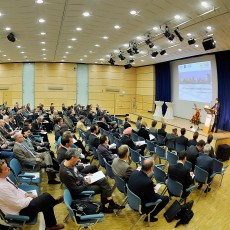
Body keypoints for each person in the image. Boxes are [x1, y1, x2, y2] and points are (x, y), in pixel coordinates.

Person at [0, 159, 64, 230]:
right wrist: (30, 198)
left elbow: (17, 189)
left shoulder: (4, 178)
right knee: (46, 197)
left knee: (46, 201)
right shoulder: (1, 188)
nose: (9, 169)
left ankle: (51, 225)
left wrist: (27, 194)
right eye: (6, 169)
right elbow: (17, 205)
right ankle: (53, 204)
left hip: (22, 204)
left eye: (8, 166)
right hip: (19, 213)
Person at [59, 148, 125, 213]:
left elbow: (77, 173)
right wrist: (86, 183)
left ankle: (111, 204)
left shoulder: (68, 163)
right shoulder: (65, 173)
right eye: (77, 158)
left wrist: (85, 175)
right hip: (80, 188)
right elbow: (76, 190)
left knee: (103, 179)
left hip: (82, 181)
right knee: (102, 187)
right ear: (72, 158)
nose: (78, 160)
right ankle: (106, 206)